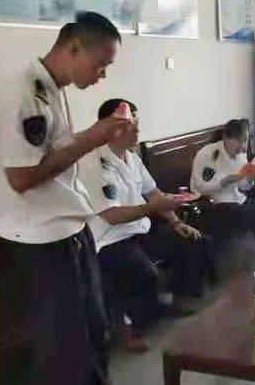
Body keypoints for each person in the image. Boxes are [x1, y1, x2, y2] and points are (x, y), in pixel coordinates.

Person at [0, 12, 131, 385]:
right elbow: (22, 177)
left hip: (71, 229)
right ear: (74, 48)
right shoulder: (24, 93)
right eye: (100, 64)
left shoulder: (52, 89)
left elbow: (56, 151)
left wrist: (97, 133)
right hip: (41, 238)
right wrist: (92, 139)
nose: (102, 75)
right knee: (65, 349)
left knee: (95, 331)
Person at [81, 99, 212, 352]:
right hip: (110, 241)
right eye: (131, 125)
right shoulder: (94, 164)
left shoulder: (132, 158)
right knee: (144, 273)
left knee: (194, 242)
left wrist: (176, 222)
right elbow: (112, 216)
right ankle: (129, 326)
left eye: (137, 124)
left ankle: (172, 300)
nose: (137, 130)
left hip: (139, 231)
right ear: (111, 128)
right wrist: (152, 208)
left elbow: (153, 193)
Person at [190, 119, 255, 251]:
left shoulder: (241, 155)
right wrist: (226, 181)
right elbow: (200, 187)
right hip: (214, 204)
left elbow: (243, 187)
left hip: (237, 200)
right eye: (240, 141)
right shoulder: (207, 154)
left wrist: (249, 180)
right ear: (226, 138)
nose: (244, 147)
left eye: (246, 141)